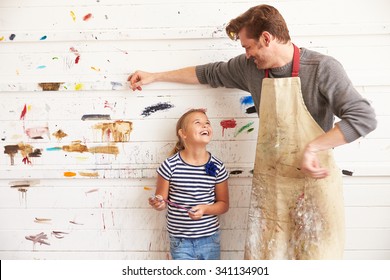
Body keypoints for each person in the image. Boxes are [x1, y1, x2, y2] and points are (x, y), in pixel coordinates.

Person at [132, 5, 377, 259]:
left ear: (267, 38)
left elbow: (363, 118)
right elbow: (207, 73)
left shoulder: (321, 68)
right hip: (271, 191)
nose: (247, 55)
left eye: (247, 47)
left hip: (313, 190)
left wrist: (314, 147)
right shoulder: (251, 69)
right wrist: (155, 76)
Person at [148, 108, 229, 260]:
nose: (205, 126)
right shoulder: (170, 165)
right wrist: (157, 202)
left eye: (207, 123)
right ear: (183, 133)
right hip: (180, 241)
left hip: (210, 239)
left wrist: (205, 209)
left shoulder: (218, 166)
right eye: (198, 123)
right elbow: (161, 200)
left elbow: (223, 205)